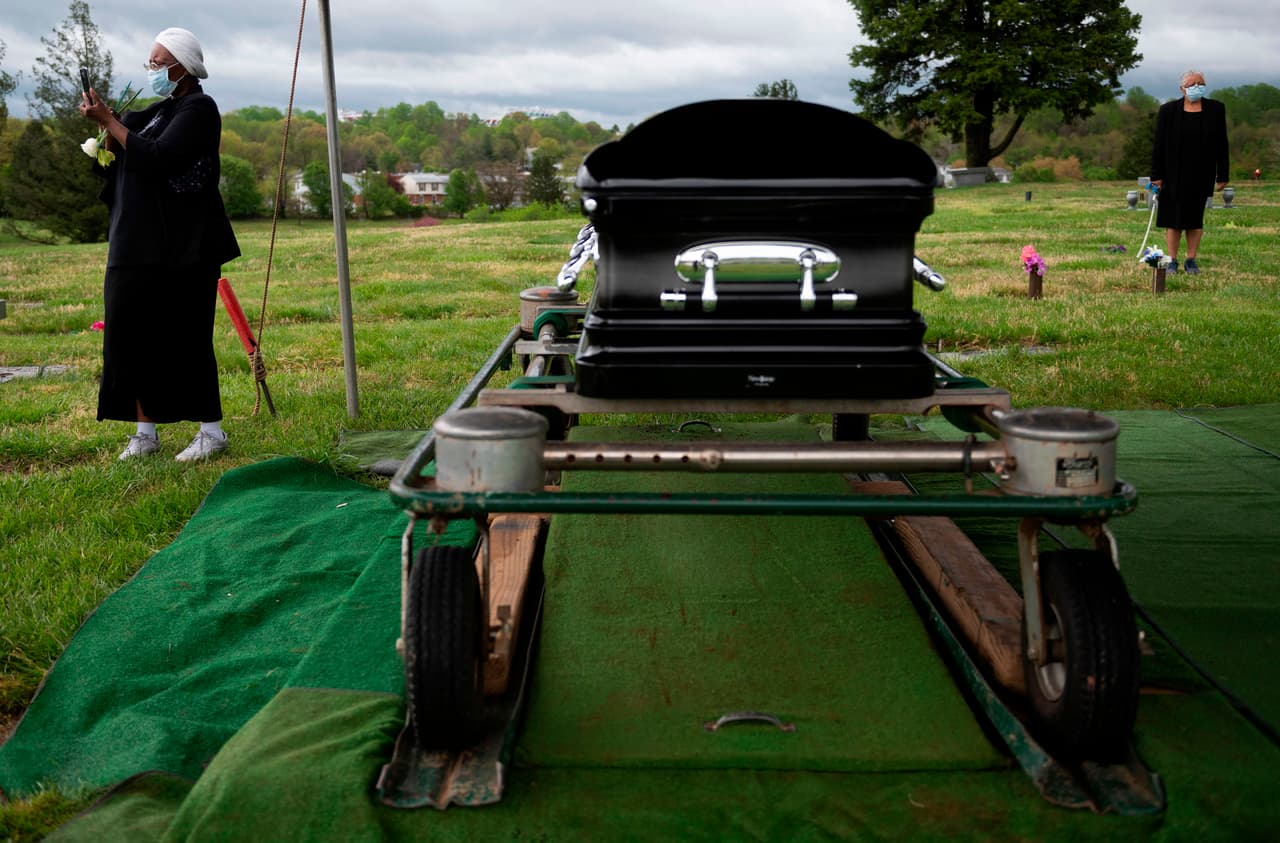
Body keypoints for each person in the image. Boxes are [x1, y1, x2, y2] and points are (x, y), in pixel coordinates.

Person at [79, 28, 241, 461]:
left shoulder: (199, 109)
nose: (151, 70)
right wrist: (107, 128)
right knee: (130, 337)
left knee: (187, 337)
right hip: (136, 243)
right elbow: (111, 164)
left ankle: (212, 432)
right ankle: (144, 432)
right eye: (149, 62)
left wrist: (111, 122)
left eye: (157, 62)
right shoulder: (153, 112)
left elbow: (159, 157)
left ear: (182, 69)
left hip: (185, 248)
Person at [1149, 69, 1229, 275]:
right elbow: (1159, 145)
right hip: (1172, 174)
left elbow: (1222, 144)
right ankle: (1172, 260)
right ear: (1182, 88)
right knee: (1173, 219)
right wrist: (1156, 175)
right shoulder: (1168, 111)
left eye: (1200, 83)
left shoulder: (1216, 109)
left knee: (1194, 219)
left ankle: (1191, 260)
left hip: (1201, 173)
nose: (1197, 87)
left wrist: (1223, 174)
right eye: (1192, 84)